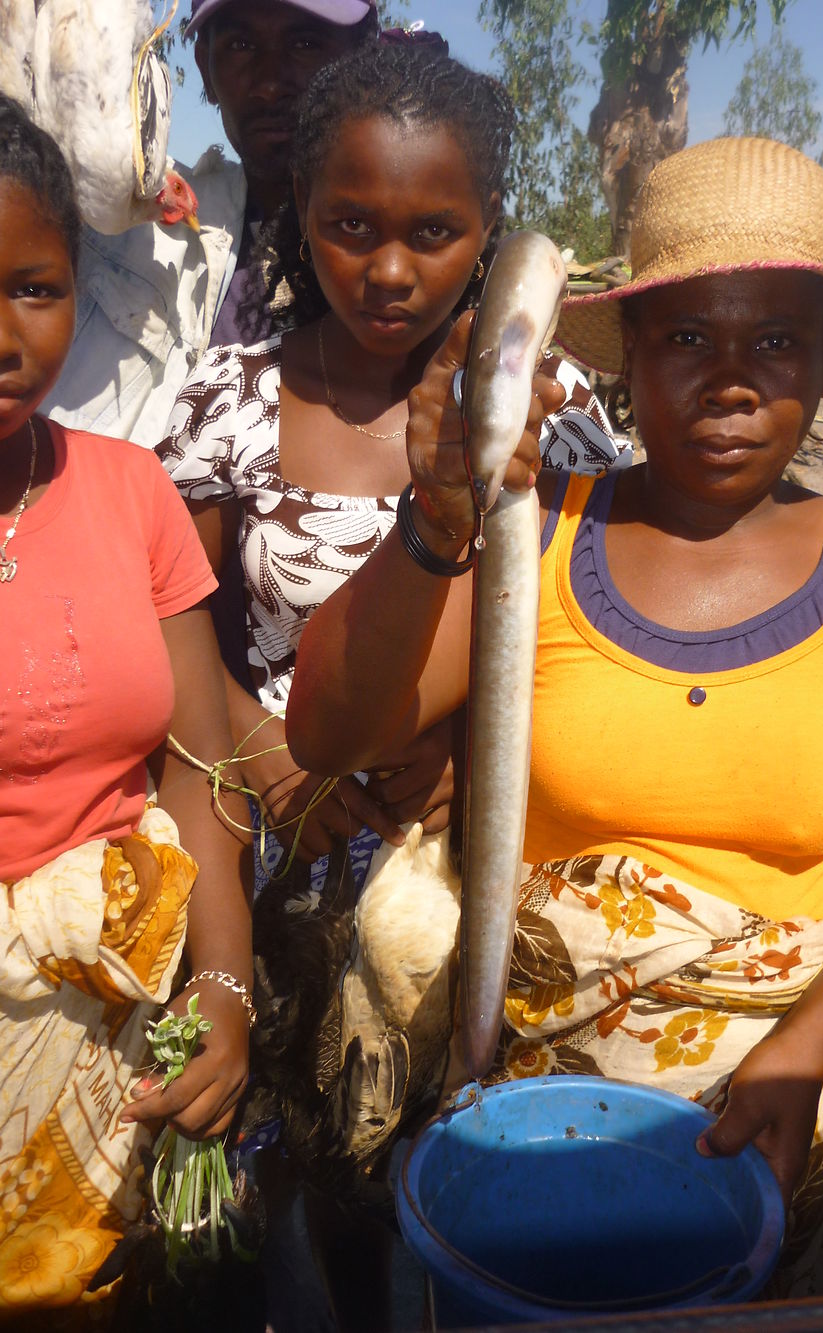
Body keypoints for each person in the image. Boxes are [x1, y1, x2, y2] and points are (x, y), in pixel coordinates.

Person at [284, 135, 823, 1299]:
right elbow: (331, 733)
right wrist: (436, 517)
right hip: (528, 1122)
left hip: (775, 1124)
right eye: (686, 339)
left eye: (773, 340)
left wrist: (801, 1048)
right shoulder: (534, 533)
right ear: (630, 363)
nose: (729, 379)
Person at [155, 38, 625, 1327]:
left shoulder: (554, 403)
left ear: (487, 230)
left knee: (455, 1169)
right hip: (271, 848)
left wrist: (481, 747)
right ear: (301, 208)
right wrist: (261, 748)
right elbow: (181, 615)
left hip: (468, 862)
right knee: (297, 1184)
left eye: (434, 230)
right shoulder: (231, 401)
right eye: (351, 225)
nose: (390, 268)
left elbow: (597, 615)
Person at [0, 95, 252, 1323]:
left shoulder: (130, 490)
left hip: (108, 1045)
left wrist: (225, 992)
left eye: (33, 288)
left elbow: (200, 779)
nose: (3, 335)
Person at [40, 0, 379, 450]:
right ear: (204, 66)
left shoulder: (426, 265)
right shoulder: (127, 224)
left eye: (304, 43)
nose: (270, 83)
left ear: (362, 57)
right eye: (241, 44)